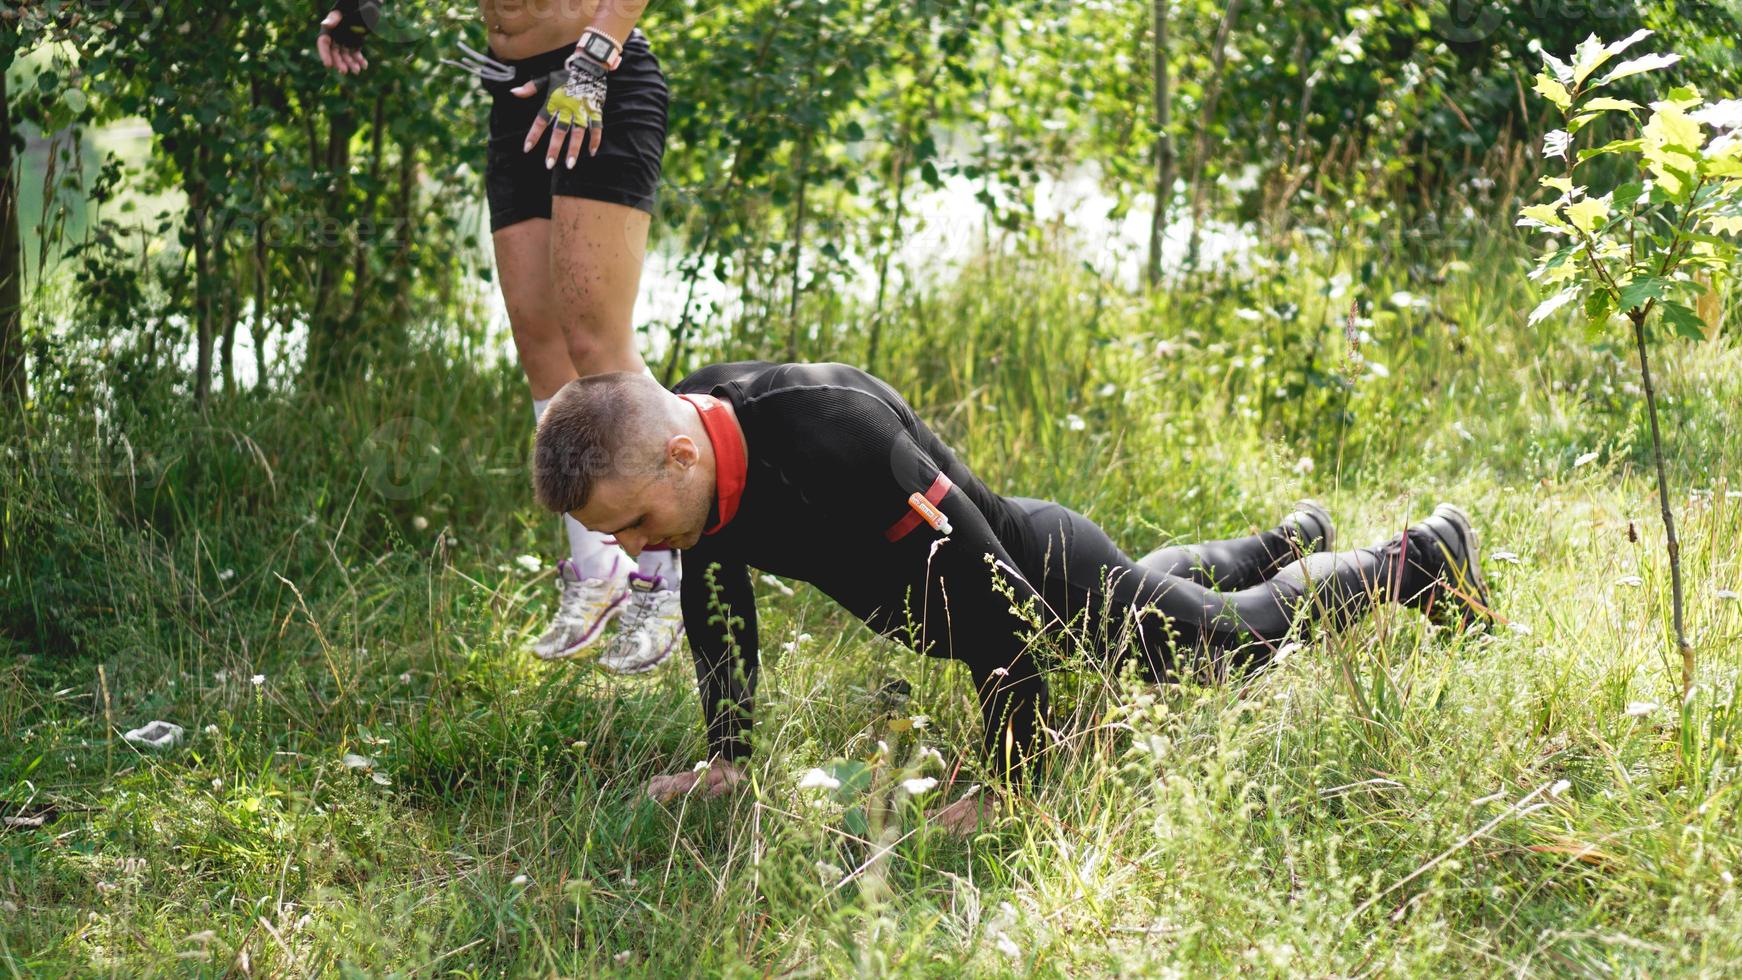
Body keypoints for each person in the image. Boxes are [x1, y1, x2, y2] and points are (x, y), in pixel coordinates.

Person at [531, 362, 1495, 833]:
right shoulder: (691, 454)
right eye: (616, 535)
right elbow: (720, 595)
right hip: (988, 591)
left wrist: (1013, 780)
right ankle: (1281, 543)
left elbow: (993, 598)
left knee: (1219, 650)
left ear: (682, 454)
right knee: (1156, 597)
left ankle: (1414, 560)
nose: (633, 548)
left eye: (635, 520)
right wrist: (728, 758)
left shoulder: (829, 432)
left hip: (1037, 569)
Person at [315, 0, 683, 673]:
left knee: (596, 345)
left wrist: (595, 60)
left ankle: (665, 574)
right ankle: (595, 570)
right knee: (542, 348)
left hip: (596, 82)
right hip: (515, 94)